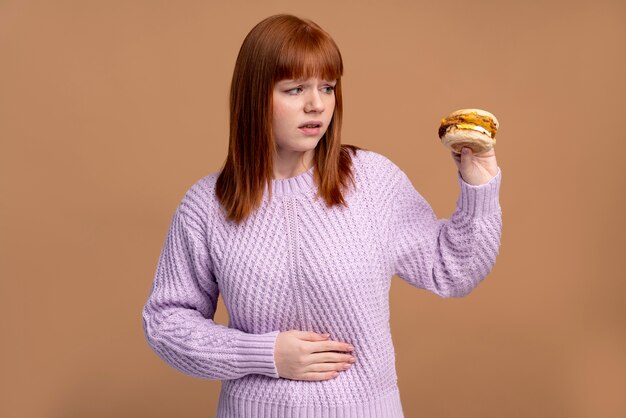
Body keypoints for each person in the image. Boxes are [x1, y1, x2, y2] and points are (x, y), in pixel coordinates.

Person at [141, 13, 502, 418]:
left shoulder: (371, 181)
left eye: (327, 87)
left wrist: (479, 186)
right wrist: (266, 354)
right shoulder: (206, 205)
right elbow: (166, 322)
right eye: (294, 89)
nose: (316, 104)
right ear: (254, 96)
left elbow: (452, 269)